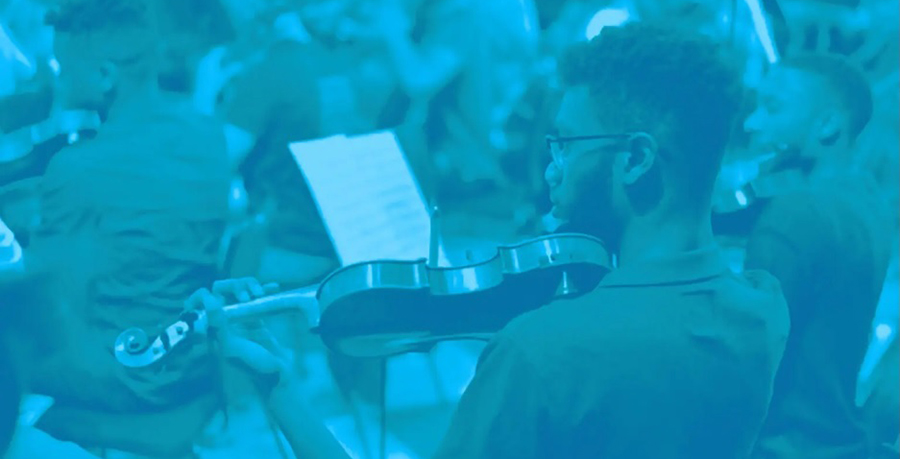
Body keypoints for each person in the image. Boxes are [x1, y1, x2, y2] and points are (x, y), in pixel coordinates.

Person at [220, 23, 791, 459]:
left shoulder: (542, 351)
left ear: (636, 159)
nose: (551, 171)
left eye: (565, 144)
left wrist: (278, 389)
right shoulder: (763, 307)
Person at [24, 0, 231, 449]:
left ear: (103, 76)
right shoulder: (207, 132)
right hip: (194, 362)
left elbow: (51, 305)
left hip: (128, 375)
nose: (57, 77)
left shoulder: (79, 168)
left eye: (62, 66)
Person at [741, 53, 893, 459]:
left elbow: (747, 350)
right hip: (837, 440)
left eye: (772, 107)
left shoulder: (796, 212)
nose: (752, 122)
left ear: (827, 124)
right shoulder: (866, 199)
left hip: (781, 445)